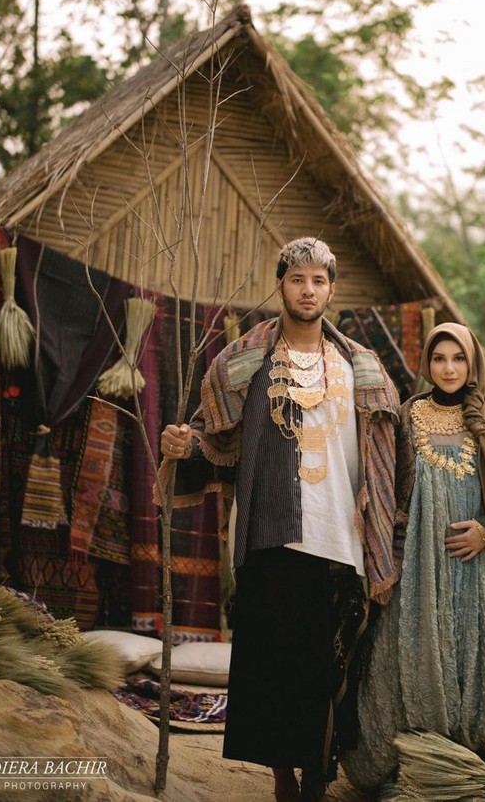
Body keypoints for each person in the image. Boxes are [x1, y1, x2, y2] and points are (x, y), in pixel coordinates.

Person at [159, 237, 400, 802]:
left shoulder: (362, 368)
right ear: (281, 286)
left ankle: (318, 770)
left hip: (341, 537)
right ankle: (284, 780)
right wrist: (184, 443)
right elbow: (215, 436)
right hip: (269, 532)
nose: (308, 290)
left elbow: (392, 456)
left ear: (331, 290)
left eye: (319, 280)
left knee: (327, 664)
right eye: (297, 279)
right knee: (271, 663)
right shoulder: (244, 361)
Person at [342, 322, 485, 794]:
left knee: (483, 650)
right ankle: (423, 754)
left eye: (458, 359)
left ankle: (479, 756)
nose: (448, 368)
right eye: (439, 359)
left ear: (473, 364)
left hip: (478, 565)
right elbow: (385, 479)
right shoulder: (407, 415)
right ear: (427, 364)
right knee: (417, 647)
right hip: (420, 566)